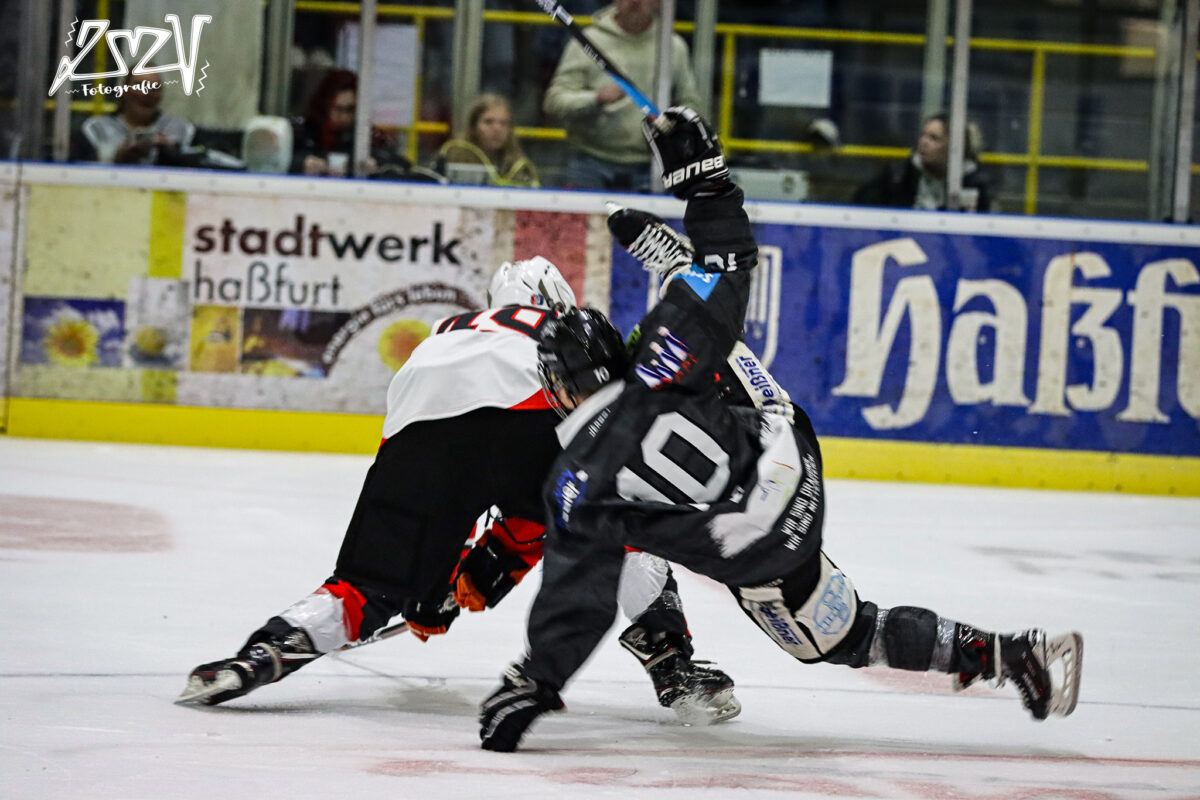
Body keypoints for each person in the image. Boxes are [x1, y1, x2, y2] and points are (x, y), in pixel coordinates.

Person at [477, 107, 1083, 752]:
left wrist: (536, 682)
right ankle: (1019, 654)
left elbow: (579, 595)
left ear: (560, 388)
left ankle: (1012, 655)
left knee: (847, 636)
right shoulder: (661, 357)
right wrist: (705, 183)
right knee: (717, 352)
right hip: (794, 473)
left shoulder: (577, 477)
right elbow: (736, 270)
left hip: (759, 553)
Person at [176, 256, 740, 725]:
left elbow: (454, 471)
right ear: (553, 297)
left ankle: (261, 652)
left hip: (417, 437)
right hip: (527, 420)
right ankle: (672, 664)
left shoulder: (447, 333)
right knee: (618, 524)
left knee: (365, 586)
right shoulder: (560, 335)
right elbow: (539, 496)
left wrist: (435, 582)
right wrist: (486, 570)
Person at [543, 0, 702, 192]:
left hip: (652, 166)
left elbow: (691, 104)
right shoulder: (587, 41)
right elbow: (554, 102)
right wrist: (595, 99)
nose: (635, 1)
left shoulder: (672, 47)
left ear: (659, 3)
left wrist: (675, 122)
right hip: (588, 164)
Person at [853, 113, 992, 212]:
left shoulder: (974, 182)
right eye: (923, 135)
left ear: (954, 148)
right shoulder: (899, 176)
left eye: (934, 138)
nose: (923, 142)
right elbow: (860, 204)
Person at [290, 69, 404, 178]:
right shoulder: (305, 132)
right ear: (325, 107)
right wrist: (301, 165)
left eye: (350, 109)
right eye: (338, 109)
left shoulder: (368, 137)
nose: (344, 117)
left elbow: (400, 165)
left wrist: (378, 165)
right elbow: (279, 161)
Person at [80, 78, 195, 165]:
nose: (147, 93)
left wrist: (170, 154)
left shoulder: (181, 129)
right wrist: (117, 158)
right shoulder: (97, 128)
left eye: (155, 87)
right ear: (124, 90)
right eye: (139, 86)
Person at [436, 94, 540, 187]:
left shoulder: (519, 165)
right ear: (473, 127)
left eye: (503, 123)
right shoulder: (452, 157)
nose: (497, 129)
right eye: (488, 122)